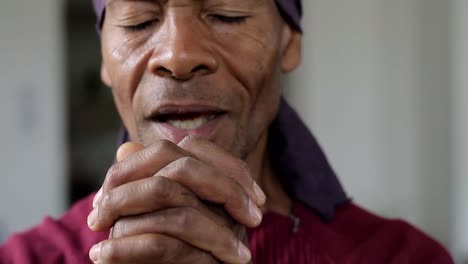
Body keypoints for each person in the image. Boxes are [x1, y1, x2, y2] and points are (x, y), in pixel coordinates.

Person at [0, 0, 455, 263]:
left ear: (289, 41)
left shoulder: (403, 258)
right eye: (139, 20)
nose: (178, 55)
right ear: (103, 58)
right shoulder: (29, 259)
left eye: (227, 13)